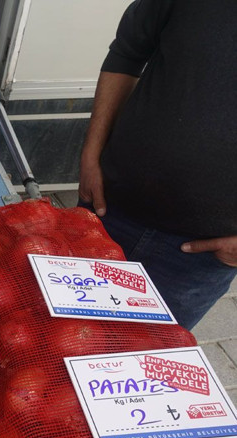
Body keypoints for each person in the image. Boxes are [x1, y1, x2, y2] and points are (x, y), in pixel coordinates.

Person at [79, 0, 237, 330]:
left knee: (127, 365)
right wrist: (91, 154)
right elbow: (127, 52)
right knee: (40, 340)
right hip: (106, 208)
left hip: (198, 260)